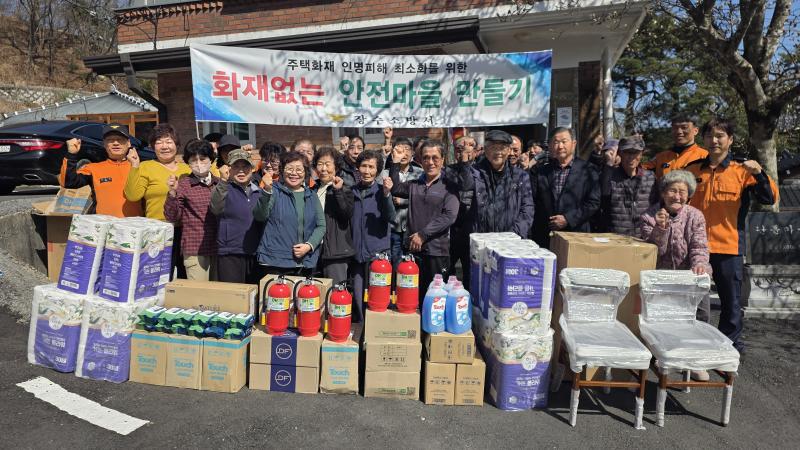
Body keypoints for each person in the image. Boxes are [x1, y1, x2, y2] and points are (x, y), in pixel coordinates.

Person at [686, 117, 778, 355]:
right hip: (695, 248)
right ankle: (694, 345)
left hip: (728, 247)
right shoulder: (693, 170)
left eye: (720, 136)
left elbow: (769, 199)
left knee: (731, 303)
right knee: (692, 301)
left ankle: (728, 348)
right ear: (703, 139)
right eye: (709, 135)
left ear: (730, 140)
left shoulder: (742, 170)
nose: (714, 140)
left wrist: (759, 174)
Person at [640, 169, 713, 381]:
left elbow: (700, 245)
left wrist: (699, 265)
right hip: (662, 276)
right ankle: (666, 358)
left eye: (682, 192)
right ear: (663, 193)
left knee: (700, 313)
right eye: (672, 191)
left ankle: (695, 360)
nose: (677, 196)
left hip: (688, 274)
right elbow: (653, 252)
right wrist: (660, 229)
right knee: (663, 321)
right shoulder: (649, 216)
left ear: (688, 195)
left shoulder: (695, 215)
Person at [389, 139, 459, 302]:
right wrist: (395, 163)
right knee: (412, 295)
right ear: (420, 160)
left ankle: (431, 328)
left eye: (435, 157)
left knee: (435, 298)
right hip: (413, 250)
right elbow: (395, 188)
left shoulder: (449, 186)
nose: (430, 162)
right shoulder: (415, 184)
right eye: (426, 157)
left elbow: (449, 216)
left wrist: (423, 234)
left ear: (442, 160)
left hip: (437, 252)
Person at [253, 151, 326, 277]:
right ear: (282, 171)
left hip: (304, 262)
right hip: (275, 262)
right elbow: (260, 216)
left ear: (305, 172)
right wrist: (266, 191)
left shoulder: (311, 195)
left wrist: (309, 246)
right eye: (289, 169)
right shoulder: (274, 191)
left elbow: (321, 226)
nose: (294, 173)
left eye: (299, 169)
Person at [530, 127, 600, 248]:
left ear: (573, 144)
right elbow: (533, 201)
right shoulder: (541, 171)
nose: (560, 146)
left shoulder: (588, 170)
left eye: (564, 141)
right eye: (556, 142)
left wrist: (568, 219)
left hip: (576, 234)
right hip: (545, 237)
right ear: (550, 146)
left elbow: (593, 203)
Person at [457, 130, 534, 238]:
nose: (498, 152)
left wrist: (514, 235)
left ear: (508, 151)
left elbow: (527, 209)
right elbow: (465, 187)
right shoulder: (474, 173)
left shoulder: (520, 176)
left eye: (502, 148)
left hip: (511, 240)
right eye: (493, 147)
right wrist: (465, 163)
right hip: (481, 239)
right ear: (486, 150)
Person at [164, 139, 219, 281]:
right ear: (188, 163)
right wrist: (172, 193)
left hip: (219, 247)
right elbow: (172, 216)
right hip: (195, 248)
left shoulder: (219, 184)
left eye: (203, 159)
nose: (199, 164)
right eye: (194, 160)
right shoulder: (183, 185)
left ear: (211, 160)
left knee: (219, 296)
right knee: (199, 296)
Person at [60, 124, 142, 217]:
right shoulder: (93, 168)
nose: (115, 143)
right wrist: (71, 155)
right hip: (103, 227)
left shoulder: (139, 167)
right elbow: (69, 182)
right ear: (104, 144)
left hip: (135, 227)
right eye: (110, 140)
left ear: (128, 143)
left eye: (120, 140)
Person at [351, 150, 396, 321]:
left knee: (377, 299)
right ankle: (362, 334)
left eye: (371, 167)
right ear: (357, 168)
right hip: (356, 255)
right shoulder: (351, 192)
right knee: (358, 296)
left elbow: (391, 217)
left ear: (377, 171)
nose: (367, 171)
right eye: (364, 166)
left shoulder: (381, 191)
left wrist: (386, 194)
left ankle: (376, 333)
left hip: (378, 255)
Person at [210, 149, 263, 284]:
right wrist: (222, 181)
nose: (241, 171)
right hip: (230, 252)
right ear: (229, 169)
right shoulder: (223, 188)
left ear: (251, 169)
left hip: (254, 252)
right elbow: (215, 208)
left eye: (245, 166)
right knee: (233, 297)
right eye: (236, 166)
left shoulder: (259, 192)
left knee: (253, 297)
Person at [124, 123, 191, 221]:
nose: (164, 147)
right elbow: (132, 196)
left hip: (187, 228)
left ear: (177, 145)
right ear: (152, 147)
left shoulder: (188, 169)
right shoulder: (146, 167)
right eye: (159, 142)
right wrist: (134, 165)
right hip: (157, 227)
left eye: (169, 142)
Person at [312, 147, 355, 285]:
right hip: (313, 251)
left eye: (327, 164)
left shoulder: (345, 189)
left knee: (336, 295)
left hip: (335, 252)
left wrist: (338, 192)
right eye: (320, 164)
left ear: (336, 167)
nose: (323, 169)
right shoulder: (312, 190)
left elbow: (346, 214)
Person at [599, 135, 657, 236]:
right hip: (616, 238)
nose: (631, 157)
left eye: (635, 153)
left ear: (641, 154)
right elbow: (602, 198)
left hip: (644, 237)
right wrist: (609, 164)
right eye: (627, 152)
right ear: (620, 153)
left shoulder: (650, 177)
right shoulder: (609, 175)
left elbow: (657, 205)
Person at [380, 137, 423, 266]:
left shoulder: (420, 173)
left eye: (407, 149)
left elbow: (424, 199)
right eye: (400, 149)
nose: (403, 153)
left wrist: (403, 201)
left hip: (413, 229)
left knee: (414, 265)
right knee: (395, 264)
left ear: (413, 153)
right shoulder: (385, 174)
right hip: (393, 228)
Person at [447, 135, 478, 284]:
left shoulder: (481, 171)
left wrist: (466, 163)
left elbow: (468, 184)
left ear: (477, 151)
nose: (464, 151)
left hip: (473, 230)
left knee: (470, 275)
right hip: (451, 230)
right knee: (447, 273)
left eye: (469, 147)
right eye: (460, 149)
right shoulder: (448, 171)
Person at [643, 114, 708, 178]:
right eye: (675, 128)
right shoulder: (660, 157)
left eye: (684, 127)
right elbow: (638, 171)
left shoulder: (705, 157)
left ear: (695, 131)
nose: (679, 131)